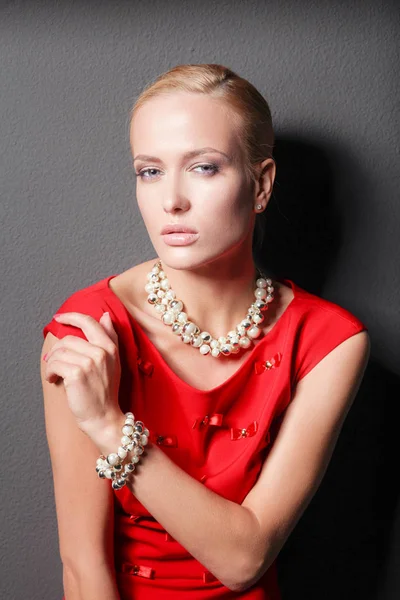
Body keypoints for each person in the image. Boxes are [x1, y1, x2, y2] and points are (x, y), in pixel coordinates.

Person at [40, 63, 370, 600]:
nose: (172, 200)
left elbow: (245, 559)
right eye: (149, 171)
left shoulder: (329, 341)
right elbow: (82, 570)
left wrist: (108, 425)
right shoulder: (89, 332)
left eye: (204, 168)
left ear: (261, 184)